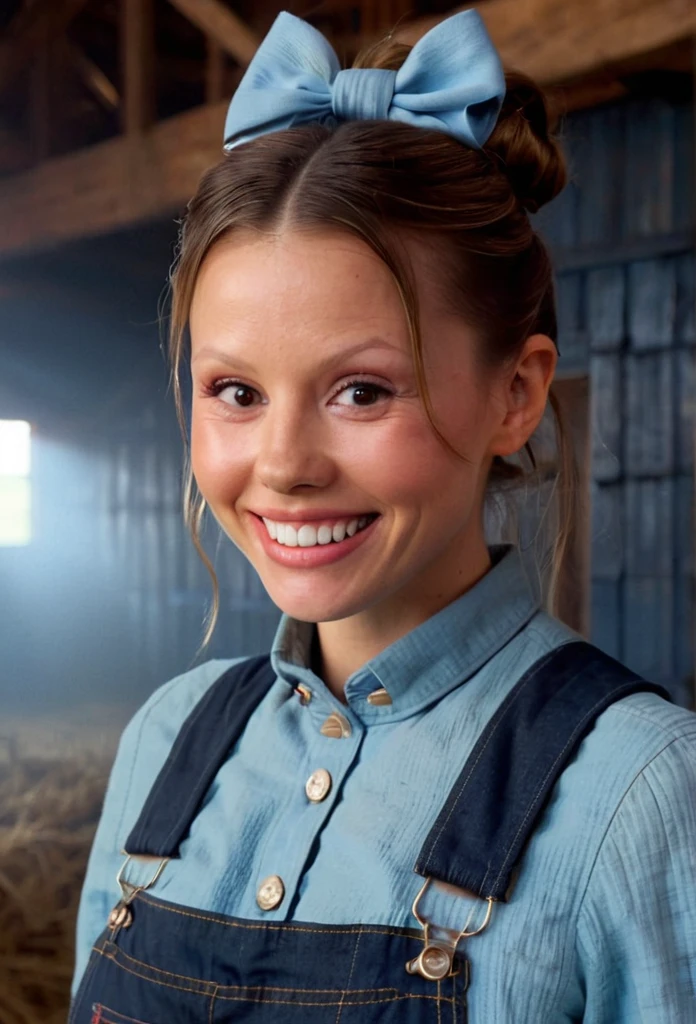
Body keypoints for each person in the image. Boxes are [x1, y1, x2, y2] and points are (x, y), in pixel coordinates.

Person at [69, 9, 696, 1023]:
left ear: (516, 394)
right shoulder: (164, 740)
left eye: (361, 390)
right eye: (235, 391)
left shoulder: (642, 792)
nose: (284, 464)